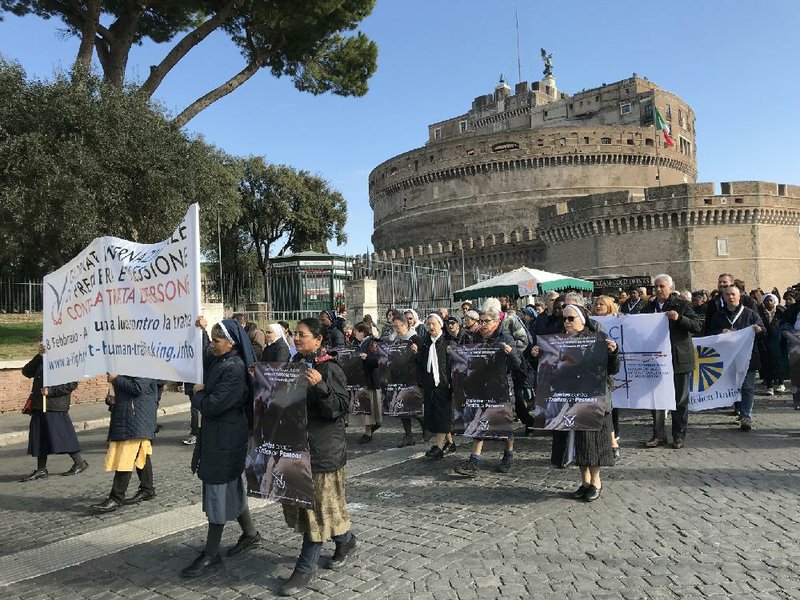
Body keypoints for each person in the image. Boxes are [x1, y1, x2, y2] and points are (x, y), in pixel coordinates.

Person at [281, 317, 355, 596]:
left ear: (318, 339)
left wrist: (321, 387)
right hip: (297, 448)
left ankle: (304, 568)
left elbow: (340, 408)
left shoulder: (330, 368)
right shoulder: (291, 366)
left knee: (315, 511)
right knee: (321, 508)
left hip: (323, 451)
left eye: (302, 335)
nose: (297, 339)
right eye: (295, 335)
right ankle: (345, 539)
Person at [181, 317, 261, 577]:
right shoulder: (222, 359)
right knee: (231, 486)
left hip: (226, 436)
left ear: (231, 343)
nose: (213, 345)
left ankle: (211, 553)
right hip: (219, 435)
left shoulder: (234, 368)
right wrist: (202, 330)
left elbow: (213, 405)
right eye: (213, 340)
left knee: (217, 491)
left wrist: (199, 393)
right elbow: (203, 354)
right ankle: (250, 534)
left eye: (217, 341)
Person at [533, 304, 619, 502]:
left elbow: (612, 368)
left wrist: (613, 352)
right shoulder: (558, 342)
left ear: (582, 320)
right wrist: (539, 355)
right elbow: (548, 370)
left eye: (571, 318)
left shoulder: (596, 338)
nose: (566, 322)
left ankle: (596, 481)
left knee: (592, 442)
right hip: (570, 399)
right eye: (564, 319)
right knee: (579, 444)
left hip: (593, 399)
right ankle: (585, 481)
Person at [453, 306, 522, 476]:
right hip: (480, 385)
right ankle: (474, 460)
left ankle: (508, 455)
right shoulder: (475, 337)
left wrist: (510, 353)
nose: (483, 325)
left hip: (500, 386)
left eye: (486, 321)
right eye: (481, 321)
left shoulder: (504, 337)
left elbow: (518, 365)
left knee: (503, 423)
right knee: (479, 420)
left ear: (497, 321)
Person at [640, 274, 702, 449]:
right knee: (657, 399)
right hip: (656, 361)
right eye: (656, 287)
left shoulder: (682, 305)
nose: (658, 290)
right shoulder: (649, 307)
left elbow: (697, 326)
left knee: (680, 400)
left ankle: (679, 435)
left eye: (661, 286)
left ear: (670, 287)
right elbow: (636, 326)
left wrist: (679, 318)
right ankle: (659, 435)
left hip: (678, 359)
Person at [91, 375, 158, 512]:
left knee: (125, 456)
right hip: (128, 415)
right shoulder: (125, 364)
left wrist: (116, 379)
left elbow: (138, 388)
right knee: (141, 454)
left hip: (137, 416)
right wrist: (111, 399)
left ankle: (116, 497)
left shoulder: (143, 363)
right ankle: (147, 489)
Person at [19, 345, 86, 481]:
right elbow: (26, 371)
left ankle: (80, 462)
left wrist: (51, 391)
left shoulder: (67, 359)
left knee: (62, 436)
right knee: (40, 437)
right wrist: (39, 356)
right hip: (39, 404)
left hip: (55, 405)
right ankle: (41, 469)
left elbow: (71, 384)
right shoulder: (43, 358)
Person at [707, 286, 765, 431]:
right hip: (727, 359)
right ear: (724, 298)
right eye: (727, 295)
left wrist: (759, 330)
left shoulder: (750, 314)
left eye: (733, 294)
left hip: (749, 357)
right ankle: (734, 406)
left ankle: (746, 416)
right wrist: (721, 332)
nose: (730, 297)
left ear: (739, 296)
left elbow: (764, 332)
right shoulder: (719, 316)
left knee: (747, 387)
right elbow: (709, 333)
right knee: (730, 385)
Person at [413, 314, 455, 459]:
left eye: (433, 324)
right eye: (428, 324)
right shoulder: (426, 343)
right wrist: (416, 353)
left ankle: (438, 446)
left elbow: (455, 364)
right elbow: (422, 362)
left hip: (444, 383)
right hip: (430, 384)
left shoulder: (448, 342)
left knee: (442, 414)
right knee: (435, 413)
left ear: (441, 325)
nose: (430, 327)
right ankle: (450, 442)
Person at [591, 296, 621, 459]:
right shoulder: (586, 323)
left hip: (604, 374)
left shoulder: (601, 324)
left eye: (602, 304)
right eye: (596, 304)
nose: (598, 306)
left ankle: (612, 440)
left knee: (607, 409)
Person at [392, 314, 428, 447]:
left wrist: (416, 353)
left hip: (413, 378)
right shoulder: (396, 340)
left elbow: (423, 359)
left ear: (407, 325)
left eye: (399, 326)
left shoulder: (416, 339)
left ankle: (426, 428)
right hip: (400, 377)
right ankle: (408, 436)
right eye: (394, 326)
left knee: (415, 407)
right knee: (401, 407)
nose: (396, 329)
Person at [351, 322, 383, 444]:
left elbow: (379, 360)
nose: (355, 335)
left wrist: (367, 358)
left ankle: (368, 432)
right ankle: (370, 428)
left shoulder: (372, 342)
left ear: (362, 332)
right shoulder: (360, 343)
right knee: (367, 406)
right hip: (363, 379)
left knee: (368, 406)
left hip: (370, 379)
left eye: (356, 332)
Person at [758, 293, 786, 395]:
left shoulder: (781, 313)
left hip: (778, 341)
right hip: (765, 341)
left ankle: (781, 382)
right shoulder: (759, 314)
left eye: (771, 300)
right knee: (767, 364)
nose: (768, 302)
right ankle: (769, 386)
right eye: (766, 301)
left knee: (778, 361)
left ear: (775, 302)